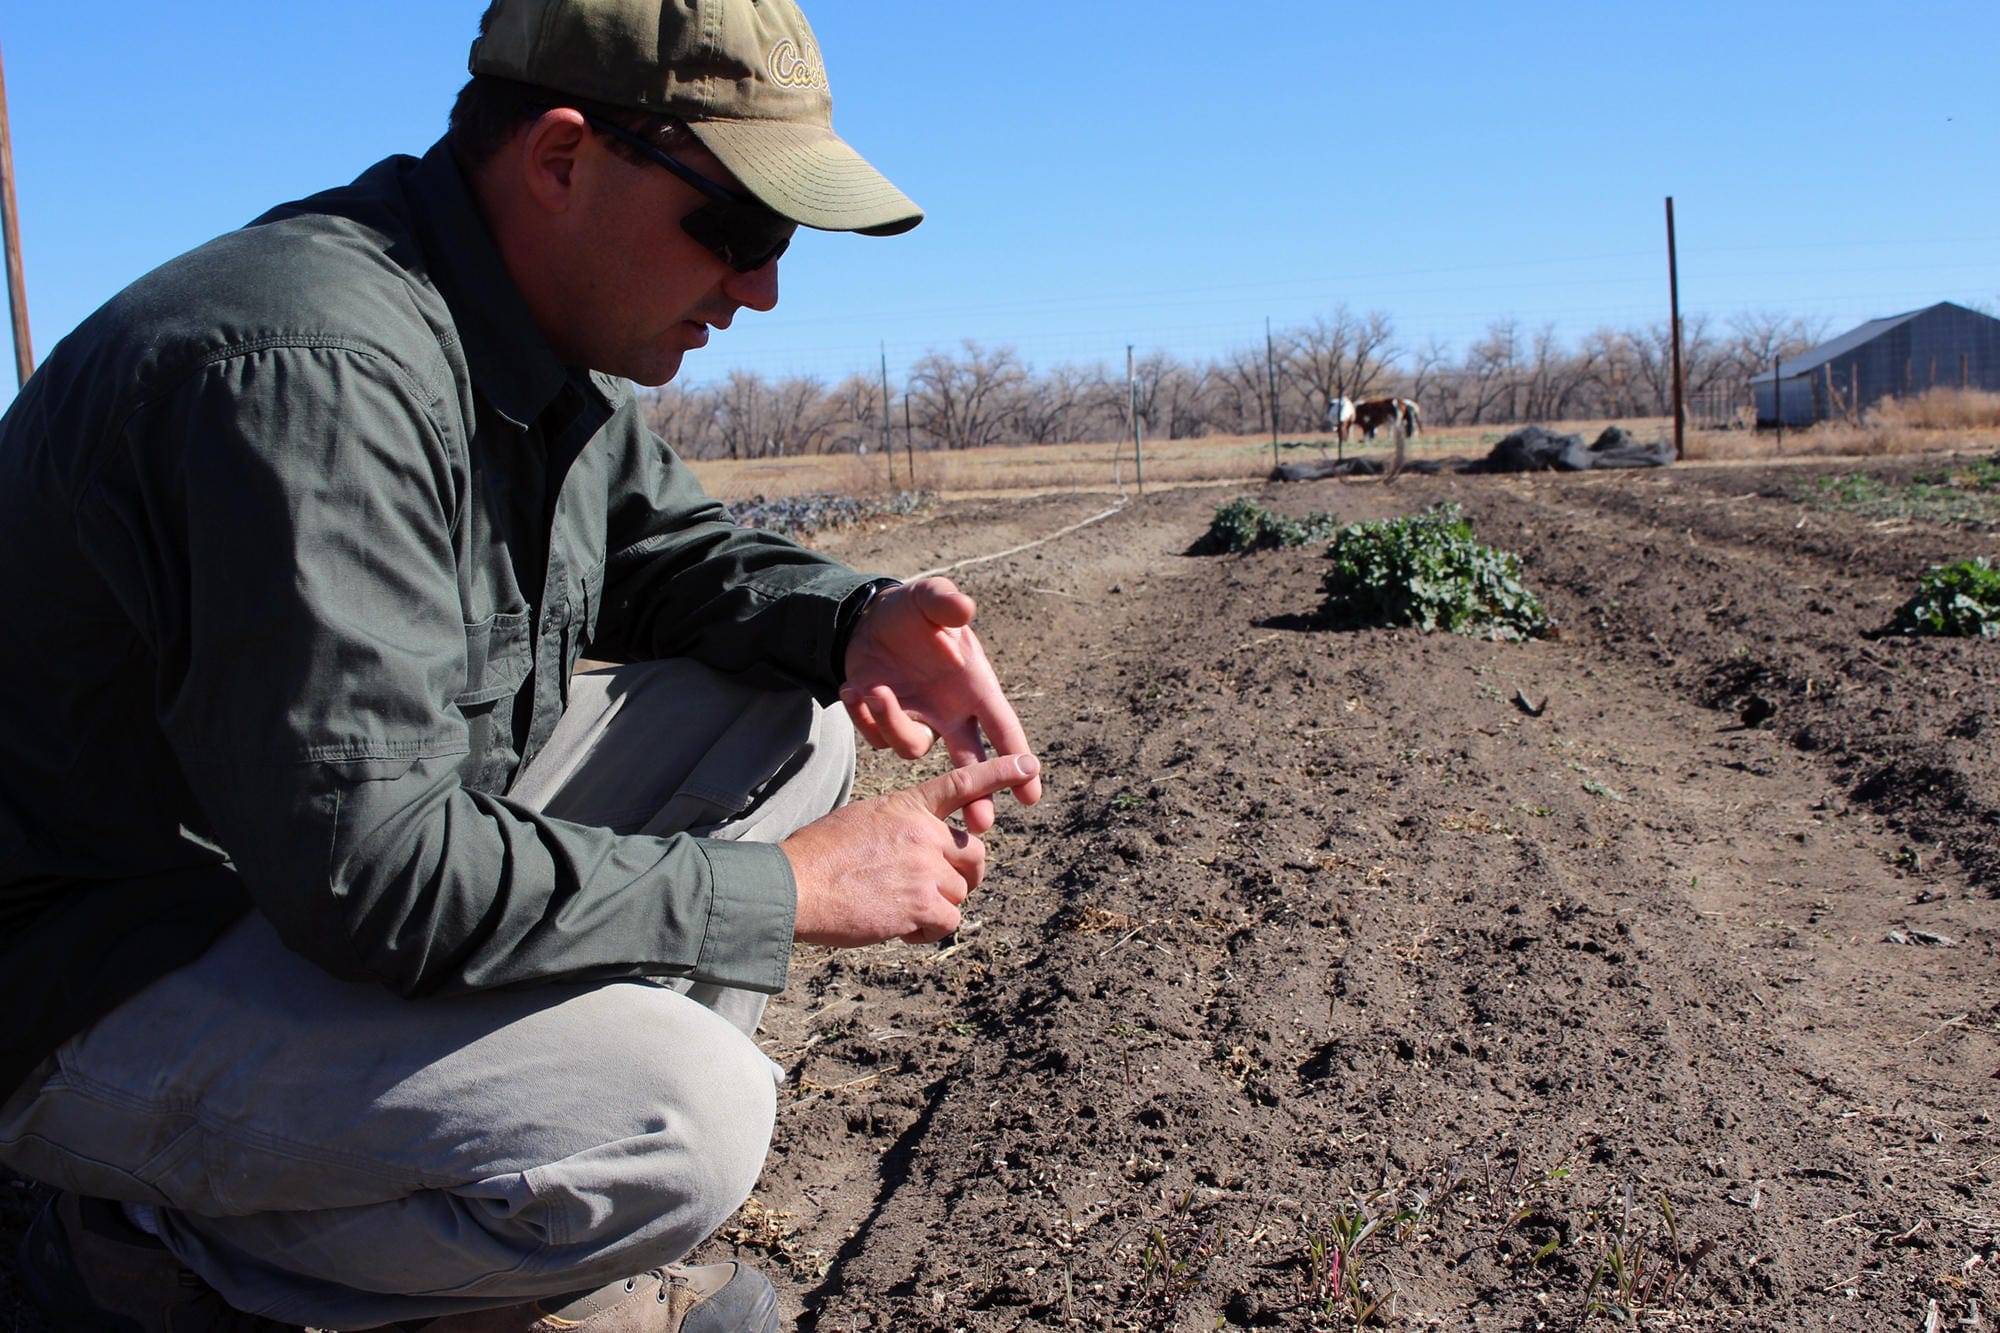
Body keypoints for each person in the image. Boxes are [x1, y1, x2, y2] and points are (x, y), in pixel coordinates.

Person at [0, 1, 1041, 1329]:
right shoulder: (322, 373)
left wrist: (855, 620)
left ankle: (514, 1226)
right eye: (739, 229)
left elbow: (666, 553)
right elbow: (377, 876)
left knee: (787, 721)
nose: (763, 286)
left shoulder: (533, 342)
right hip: (98, 974)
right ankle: (145, 1256)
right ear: (560, 159)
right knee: (686, 1117)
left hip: (281, 890)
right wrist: (780, 887)